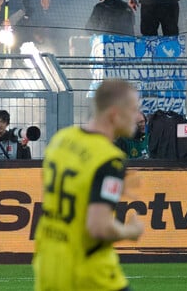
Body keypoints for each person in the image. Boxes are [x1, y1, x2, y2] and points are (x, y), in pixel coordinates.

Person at [33, 79, 146, 290]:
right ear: (114, 114)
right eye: (133, 109)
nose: (138, 116)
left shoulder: (61, 140)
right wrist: (130, 231)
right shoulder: (109, 159)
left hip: (49, 264)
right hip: (88, 273)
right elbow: (99, 227)